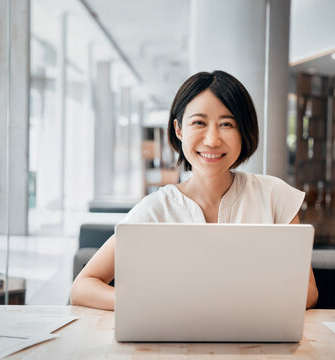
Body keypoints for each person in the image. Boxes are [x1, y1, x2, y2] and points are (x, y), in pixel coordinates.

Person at [70, 70, 319, 310]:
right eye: (199, 122)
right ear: (179, 129)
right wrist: (150, 304)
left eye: (227, 124)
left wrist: (239, 305)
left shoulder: (274, 196)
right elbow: (82, 287)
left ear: (244, 131)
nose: (212, 140)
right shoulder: (155, 209)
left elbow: (308, 291)